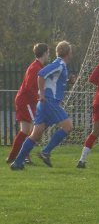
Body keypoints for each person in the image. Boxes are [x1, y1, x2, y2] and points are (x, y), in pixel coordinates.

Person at [10, 41, 74, 169]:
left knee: (35, 134)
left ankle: (17, 163)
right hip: (50, 102)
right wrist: (42, 94)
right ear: (68, 53)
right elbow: (41, 74)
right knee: (68, 127)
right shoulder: (59, 64)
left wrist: (68, 81)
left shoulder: (60, 65)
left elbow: (52, 81)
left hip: (44, 104)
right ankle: (46, 151)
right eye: (71, 52)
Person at [6, 43, 49, 165]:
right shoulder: (35, 68)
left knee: (27, 131)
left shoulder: (38, 67)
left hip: (27, 101)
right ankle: (18, 157)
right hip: (26, 101)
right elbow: (29, 87)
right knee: (33, 130)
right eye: (48, 53)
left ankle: (16, 157)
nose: (48, 55)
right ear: (44, 53)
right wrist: (40, 97)